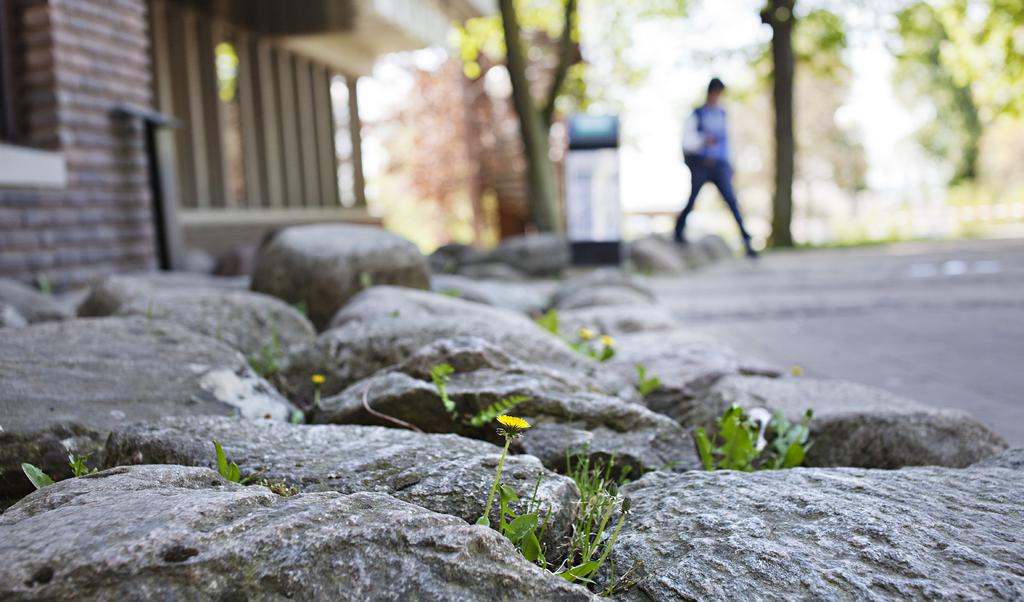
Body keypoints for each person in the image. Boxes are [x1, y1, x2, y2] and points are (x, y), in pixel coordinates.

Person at [677, 77, 757, 258]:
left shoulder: (722, 114)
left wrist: (731, 165)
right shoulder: (696, 115)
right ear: (709, 93)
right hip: (702, 165)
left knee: (732, 202)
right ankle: (678, 232)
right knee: (692, 199)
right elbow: (687, 141)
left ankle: (747, 241)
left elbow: (728, 142)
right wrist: (703, 140)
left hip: (720, 165)